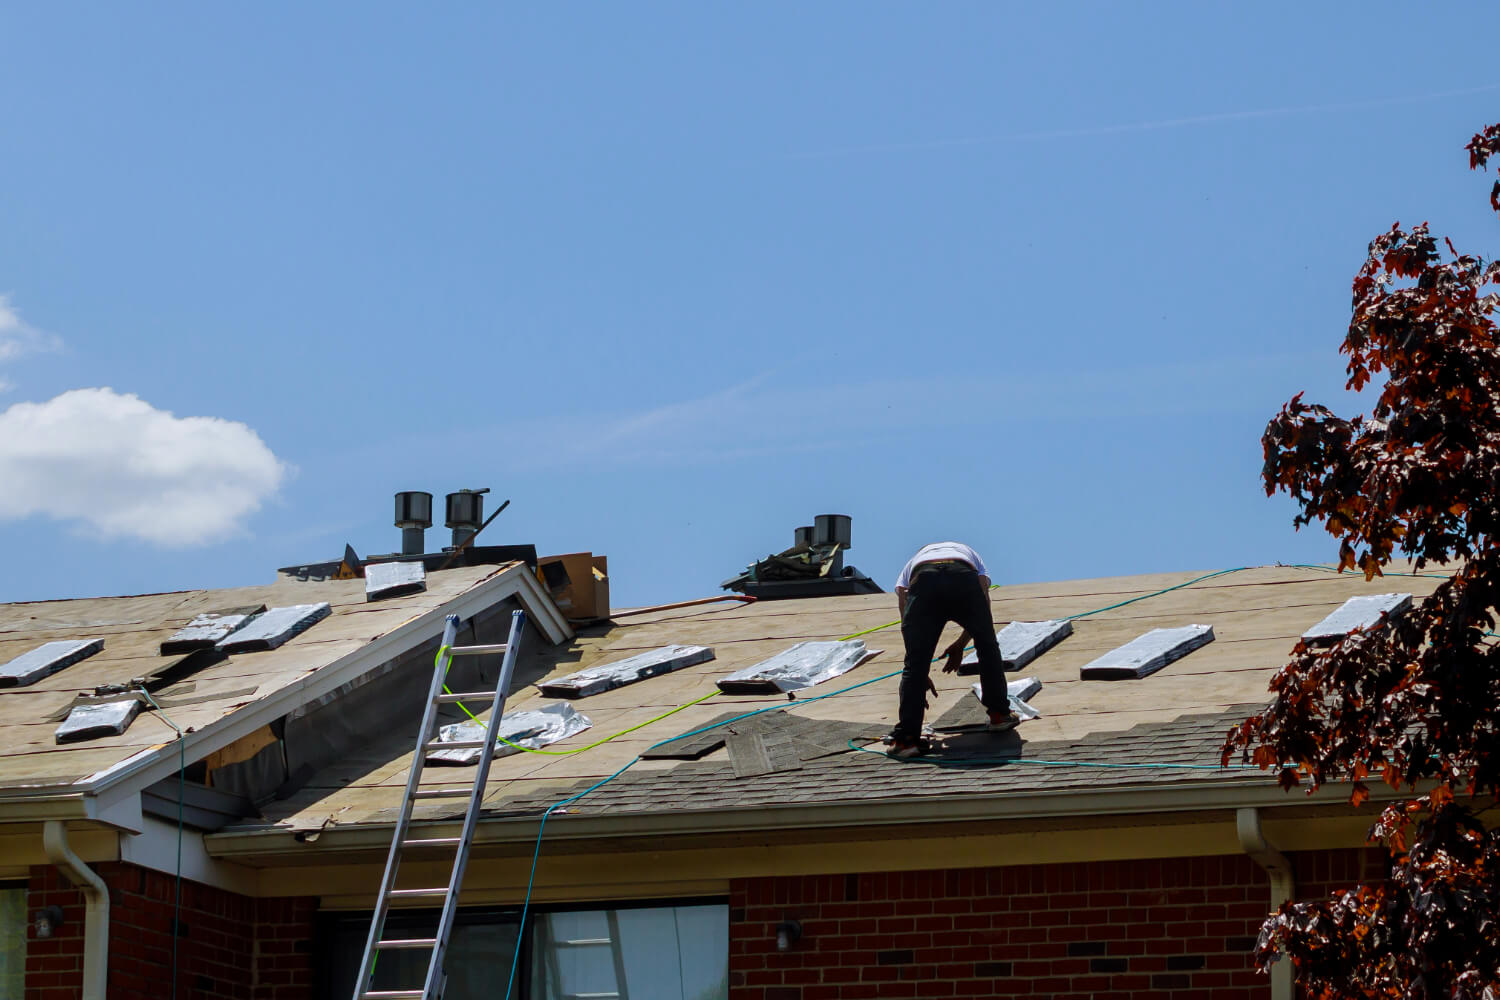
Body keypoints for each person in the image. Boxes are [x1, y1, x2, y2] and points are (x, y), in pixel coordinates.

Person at [888, 541, 1018, 758]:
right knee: (987, 646)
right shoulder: (969, 554)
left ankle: (906, 741)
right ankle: (999, 715)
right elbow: (983, 608)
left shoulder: (913, 563)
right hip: (962, 574)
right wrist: (961, 644)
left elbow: (905, 608)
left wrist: (919, 672)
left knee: (914, 664)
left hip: (924, 581)